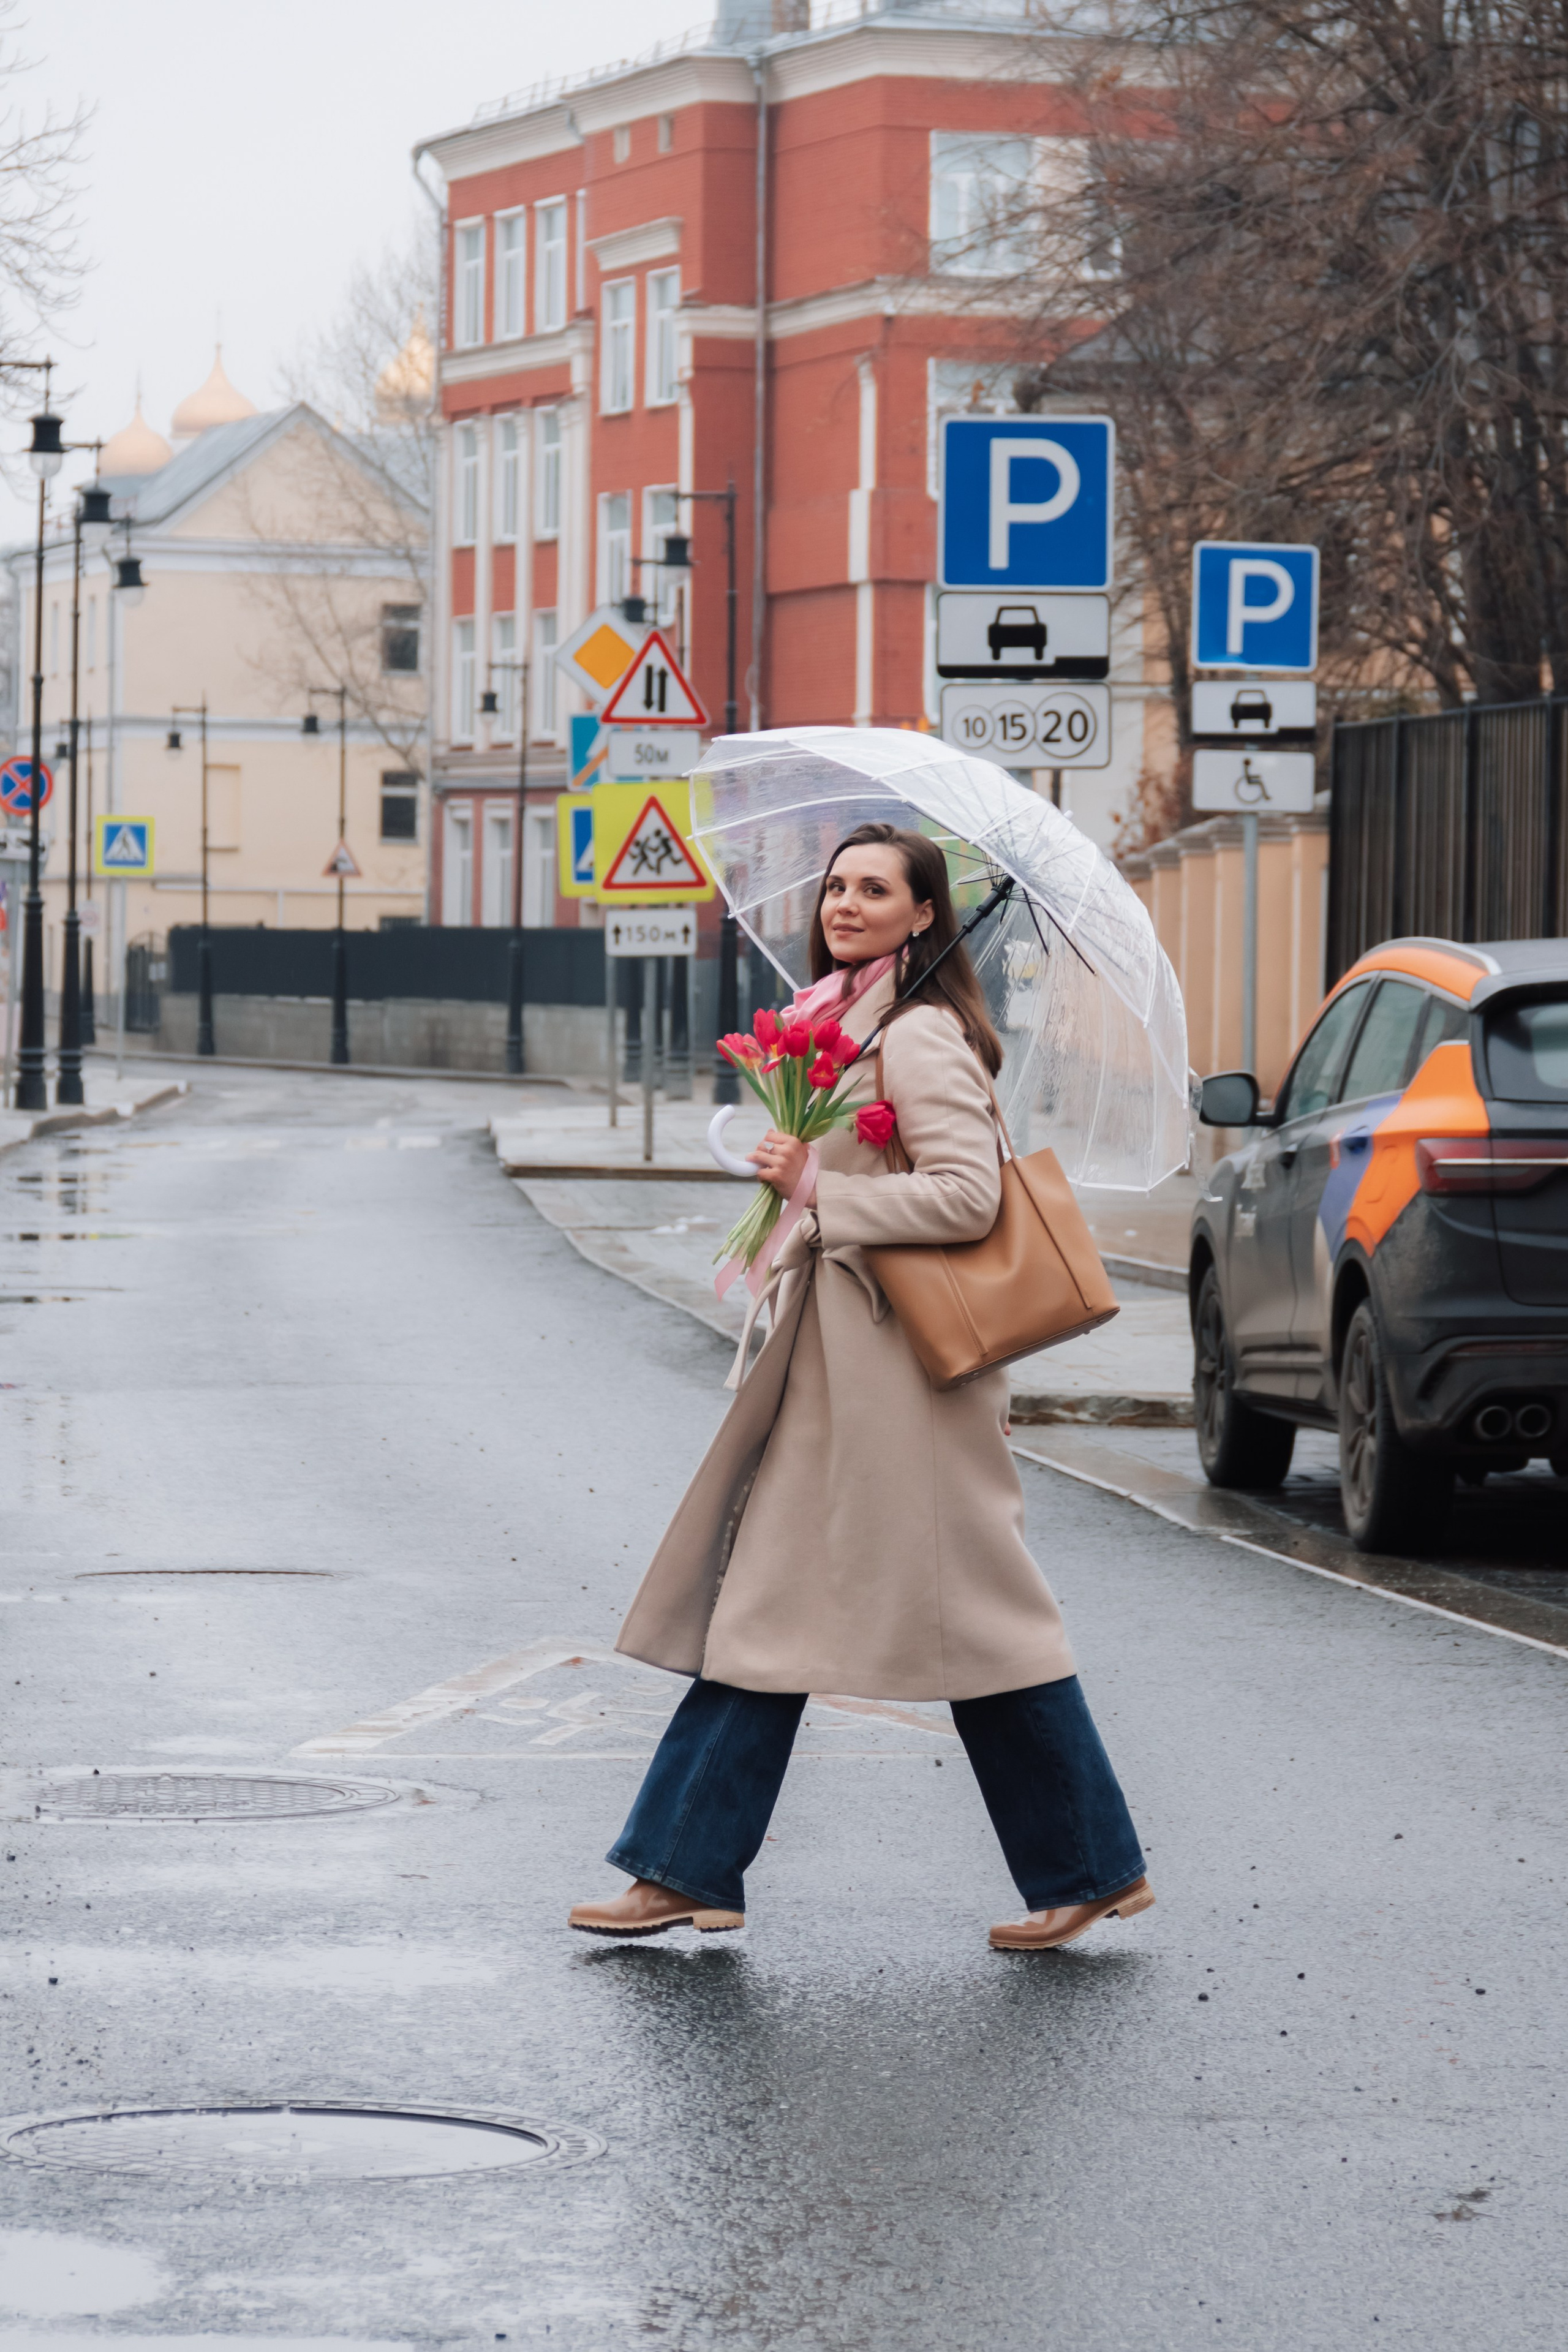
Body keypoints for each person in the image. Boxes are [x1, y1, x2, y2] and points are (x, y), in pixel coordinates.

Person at [570, 822, 1153, 1952]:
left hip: (903, 1385)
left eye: (875, 889)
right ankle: (689, 1867)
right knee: (770, 1610)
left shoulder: (922, 1035)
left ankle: (1088, 1865)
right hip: (839, 1370)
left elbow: (967, 1197)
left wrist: (821, 1195)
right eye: (837, 885)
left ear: (925, 914)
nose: (845, 902)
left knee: (975, 1626)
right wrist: (802, 1184)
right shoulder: (840, 1026)